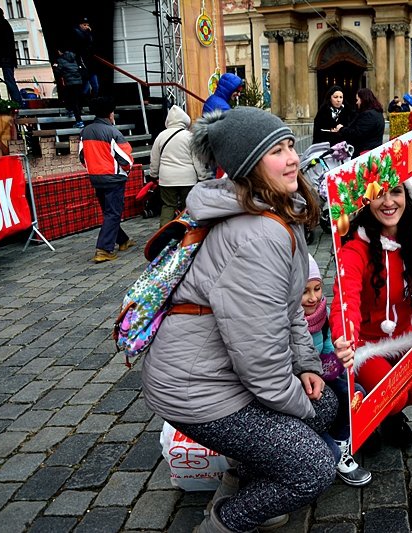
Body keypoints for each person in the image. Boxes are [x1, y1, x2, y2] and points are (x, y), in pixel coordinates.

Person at [141, 107, 336, 533]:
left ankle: (240, 477)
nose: (292, 159)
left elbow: (290, 309)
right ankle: (223, 522)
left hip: (220, 374)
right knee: (315, 467)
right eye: (275, 151)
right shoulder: (257, 234)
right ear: (248, 167)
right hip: (197, 388)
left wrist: (306, 365)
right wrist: (298, 408)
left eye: (289, 146)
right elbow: (260, 361)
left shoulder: (278, 212)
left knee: (326, 404)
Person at [330, 178, 412, 449]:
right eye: (379, 194)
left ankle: (386, 414)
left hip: (407, 336)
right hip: (367, 345)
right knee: (394, 396)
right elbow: (346, 300)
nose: (389, 201)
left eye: (396, 191)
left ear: (408, 195)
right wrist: (344, 337)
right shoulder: (355, 248)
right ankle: (369, 414)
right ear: (366, 201)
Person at [303, 254, 372, 486]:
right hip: (300, 384)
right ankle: (335, 447)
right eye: (304, 291)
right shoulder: (289, 320)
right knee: (339, 398)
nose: (312, 298)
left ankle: (345, 440)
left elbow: (330, 343)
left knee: (355, 391)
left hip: (323, 373)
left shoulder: (322, 312)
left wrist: (339, 357)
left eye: (317, 288)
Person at [78, 97, 135, 263]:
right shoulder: (113, 132)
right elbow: (126, 158)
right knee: (113, 213)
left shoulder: (85, 131)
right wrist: (126, 170)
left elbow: (81, 157)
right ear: (110, 114)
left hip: (95, 177)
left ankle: (123, 241)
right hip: (113, 178)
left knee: (109, 212)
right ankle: (104, 249)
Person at [149, 105, 206, 227]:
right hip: (187, 179)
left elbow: (154, 159)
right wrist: (202, 176)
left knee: (168, 206)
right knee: (188, 207)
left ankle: (163, 235)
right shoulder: (189, 136)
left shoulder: (161, 136)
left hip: (167, 179)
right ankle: (188, 232)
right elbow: (197, 160)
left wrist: (153, 175)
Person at [332, 87, 385, 156]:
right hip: (371, 152)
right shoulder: (377, 113)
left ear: (364, 100)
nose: (357, 103)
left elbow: (357, 133)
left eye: (358, 100)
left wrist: (341, 129)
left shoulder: (369, 115)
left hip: (364, 154)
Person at [52, 49, 85, 128]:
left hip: (70, 83)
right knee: (75, 99)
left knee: (71, 100)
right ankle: (72, 111)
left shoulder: (61, 60)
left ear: (60, 51)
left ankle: (79, 120)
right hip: (78, 81)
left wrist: (55, 66)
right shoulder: (73, 58)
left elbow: (58, 72)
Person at [73, 17, 99, 97]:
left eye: (88, 25)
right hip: (82, 64)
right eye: (84, 25)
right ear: (80, 25)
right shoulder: (77, 33)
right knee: (86, 86)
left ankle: (94, 101)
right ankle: (82, 103)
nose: (87, 27)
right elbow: (83, 42)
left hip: (89, 64)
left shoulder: (87, 34)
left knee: (95, 85)